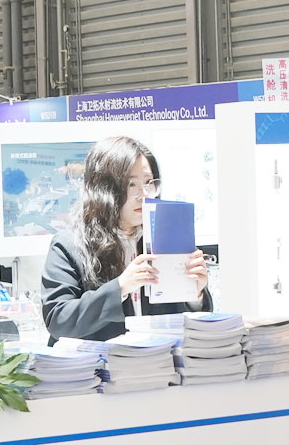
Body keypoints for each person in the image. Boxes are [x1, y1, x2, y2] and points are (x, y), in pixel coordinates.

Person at [40, 136, 211, 342]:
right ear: (103, 188)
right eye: (131, 184)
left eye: (149, 183)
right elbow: (58, 320)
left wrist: (196, 294)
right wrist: (120, 287)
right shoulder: (70, 245)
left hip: (160, 359)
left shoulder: (165, 238)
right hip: (101, 362)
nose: (144, 194)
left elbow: (187, 322)